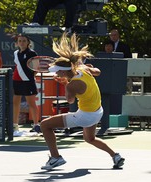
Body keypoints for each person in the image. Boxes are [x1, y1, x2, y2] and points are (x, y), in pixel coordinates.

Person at [40, 32, 125, 170]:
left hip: (85, 116)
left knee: (45, 125)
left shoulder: (71, 85)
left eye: (57, 72)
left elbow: (70, 100)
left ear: (63, 72)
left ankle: (55, 158)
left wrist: (65, 85)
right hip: (97, 111)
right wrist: (89, 69)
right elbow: (97, 72)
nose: (56, 74)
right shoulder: (83, 69)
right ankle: (115, 156)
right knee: (89, 139)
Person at [12, 35, 41, 135]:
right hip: (16, 80)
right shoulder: (16, 53)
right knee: (15, 103)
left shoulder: (32, 53)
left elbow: (36, 68)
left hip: (28, 81)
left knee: (31, 104)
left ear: (28, 42)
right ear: (17, 43)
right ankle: (14, 125)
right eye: (20, 41)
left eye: (24, 41)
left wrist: (28, 77)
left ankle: (36, 125)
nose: (22, 43)